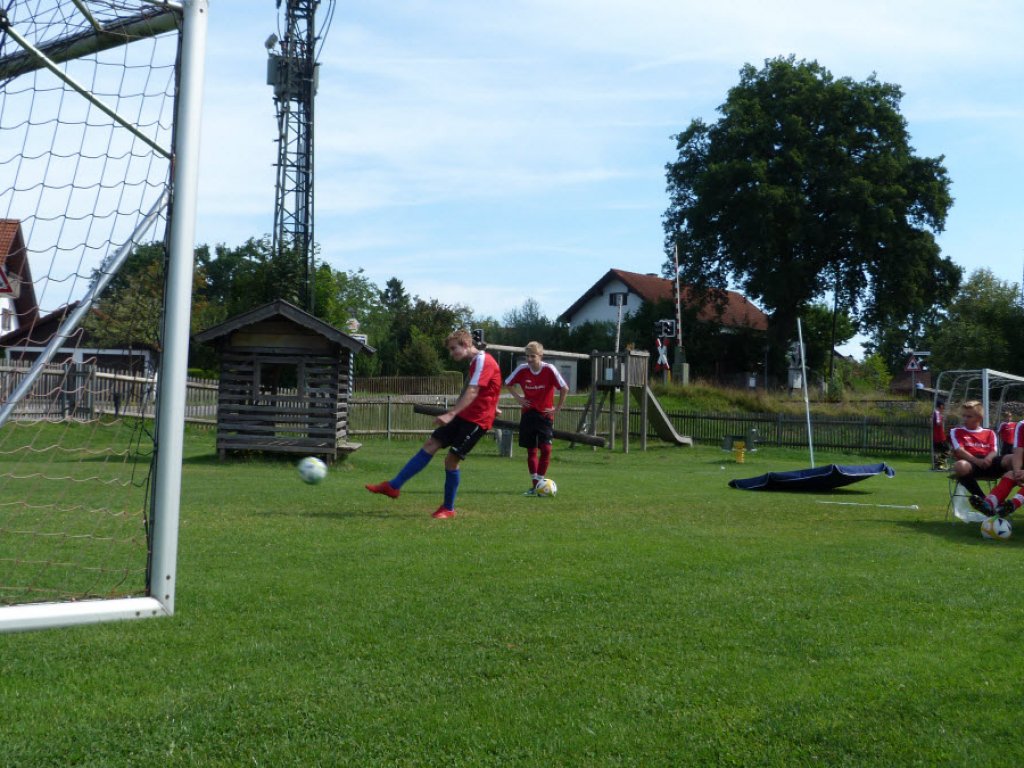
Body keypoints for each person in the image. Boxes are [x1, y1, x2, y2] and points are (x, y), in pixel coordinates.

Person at [365, 329, 502, 519]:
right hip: (465, 414)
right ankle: (393, 486)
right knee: (431, 444)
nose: (451, 352)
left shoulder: (482, 360)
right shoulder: (475, 362)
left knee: (451, 460)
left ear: (466, 344)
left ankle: (448, 508)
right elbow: (492, 387)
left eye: (454, 348)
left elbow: (473, 391)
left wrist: (451, 413)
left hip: (477, 421)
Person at [504, 341, 569, 495]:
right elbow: (508, 383)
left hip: (545, 415)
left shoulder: (549, 369)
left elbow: (564, 388)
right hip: (528, 414)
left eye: (532, 356)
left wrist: (557, 408)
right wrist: (519, 399)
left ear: (540, 356)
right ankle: (535, 486)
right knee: (531, 451)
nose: (529, 359)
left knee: (546, 449)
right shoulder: (522, 370)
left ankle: (540, 482)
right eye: (527, 356)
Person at [947, 400, 1000, 511]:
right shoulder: (956, 431)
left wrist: (988, 459)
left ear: (979, 418)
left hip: (988, 463)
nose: (965, 419)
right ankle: (984, 500)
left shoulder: (989, 433)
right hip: (970, 465)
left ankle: (1003, 502)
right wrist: (977, 461)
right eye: (964, 416)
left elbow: (994, 451)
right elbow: (959, 450)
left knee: (1011, 459)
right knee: (960, 465)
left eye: (969, 416)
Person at [931, 400, 948, 470]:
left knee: (937, 451)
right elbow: (938, 423)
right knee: (947, 450)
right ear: (941, 406)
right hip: (939, 436)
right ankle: (940, 464)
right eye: (943, 406)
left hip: (935, 436)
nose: (944, 408)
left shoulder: (934, 413)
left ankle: (937, 465)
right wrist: (942, 419)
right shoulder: (937, 413)